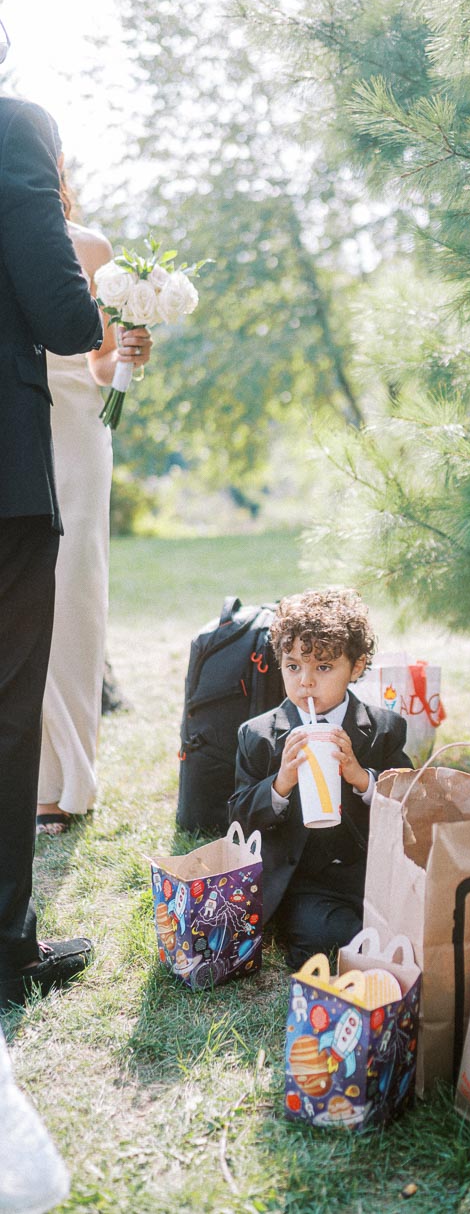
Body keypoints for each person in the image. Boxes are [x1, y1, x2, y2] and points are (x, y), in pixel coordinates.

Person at [0, 85, 103, 1006]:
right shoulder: (13, 127)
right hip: (2, 485)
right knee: (4, 713)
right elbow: (68, 317)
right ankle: (5, 949)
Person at [35, 161, 151, 836]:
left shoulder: (91, 248)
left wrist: (130, 354)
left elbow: (101, 361)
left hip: (78, 427)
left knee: (73, 592)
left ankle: (66, 782)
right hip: (13, 422)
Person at [229, 587, 411, 968]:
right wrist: (280, 784)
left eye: (323, 668)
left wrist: (362, 778)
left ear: (357, 667)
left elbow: (410, 801)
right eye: (293, 666)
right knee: (325, 935)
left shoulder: (383, 729)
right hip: (306, 879)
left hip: (369, 870)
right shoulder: (259, 735)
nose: (305, 682)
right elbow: (237, 818)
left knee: (407, 919)